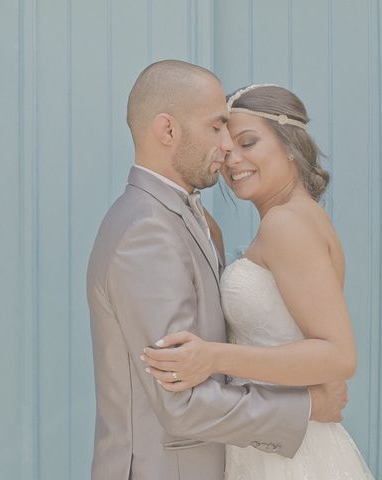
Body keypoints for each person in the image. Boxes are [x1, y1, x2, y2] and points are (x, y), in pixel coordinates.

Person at [87, 61, 347, 480]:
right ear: (168, 131)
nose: (227, 147)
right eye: (216, 128)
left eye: (241, 137)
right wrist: (310, 406)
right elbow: (180, 401)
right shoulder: (148, 231)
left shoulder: (190, 219)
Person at [142, 83, 373, 478]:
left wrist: (213, 357)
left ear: (289, 143)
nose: (234, 162)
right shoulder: (298, 217)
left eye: (248, 143)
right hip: (275, 438)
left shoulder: (286, 224)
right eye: (226, 151)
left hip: (290, 456)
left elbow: (337, 355)